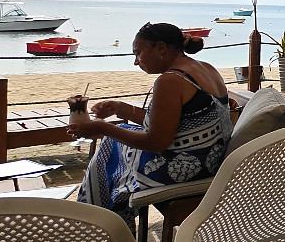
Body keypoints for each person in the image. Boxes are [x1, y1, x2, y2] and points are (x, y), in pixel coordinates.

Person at [70, 23, 232, 227]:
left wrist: (103, 128)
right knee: (118, 140)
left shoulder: (170, 80)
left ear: (161, 48)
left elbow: (156, 142)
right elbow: (170, 123)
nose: (136, 62)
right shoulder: (205, 68)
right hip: (209, 160)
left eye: (138, 53)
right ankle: (103, 219)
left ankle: (101, 224)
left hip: (185, 168)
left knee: (110, 147)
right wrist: (120, 108)